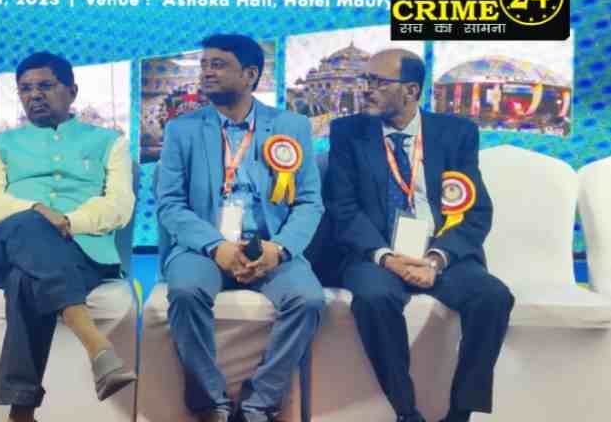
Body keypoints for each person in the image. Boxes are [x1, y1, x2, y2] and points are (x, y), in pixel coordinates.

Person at [325, 48, 514, 422]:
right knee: (374, 298)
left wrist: (436, 259)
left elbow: (476, 211)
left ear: (411, 90)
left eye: (378, 82)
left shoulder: (456, 134)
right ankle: (406, 411)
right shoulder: (348, 132)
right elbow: (343, 209)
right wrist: (386, 257)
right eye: (365, 80)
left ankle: (460, 413)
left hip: (438, 252)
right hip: (376, 254)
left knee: (493, 297)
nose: (366, 89)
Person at [156, 34, 325, 422]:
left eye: (218, 65)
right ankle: (210, 401)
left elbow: (309, 202)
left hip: (269, 245)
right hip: (204, 247)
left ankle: (259, 402)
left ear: (250, 74)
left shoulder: (291, 126)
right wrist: (215, 246)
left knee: (309, 300)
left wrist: (279, 249)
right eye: (204, 65)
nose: (206, 73)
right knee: (184, 291)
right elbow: (170, 204)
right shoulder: (182, 129)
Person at [0, 51, 136, 422]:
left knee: (24, 278)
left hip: (82, 251)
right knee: (30, 223)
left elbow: (119, 205)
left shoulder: (110, 142)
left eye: (45, 86)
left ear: (72, 91)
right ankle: (96, 344)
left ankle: (21, 411)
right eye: (25, 89)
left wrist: (68, 222)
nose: (34, 95)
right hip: (5, 244)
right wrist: (38, 211)